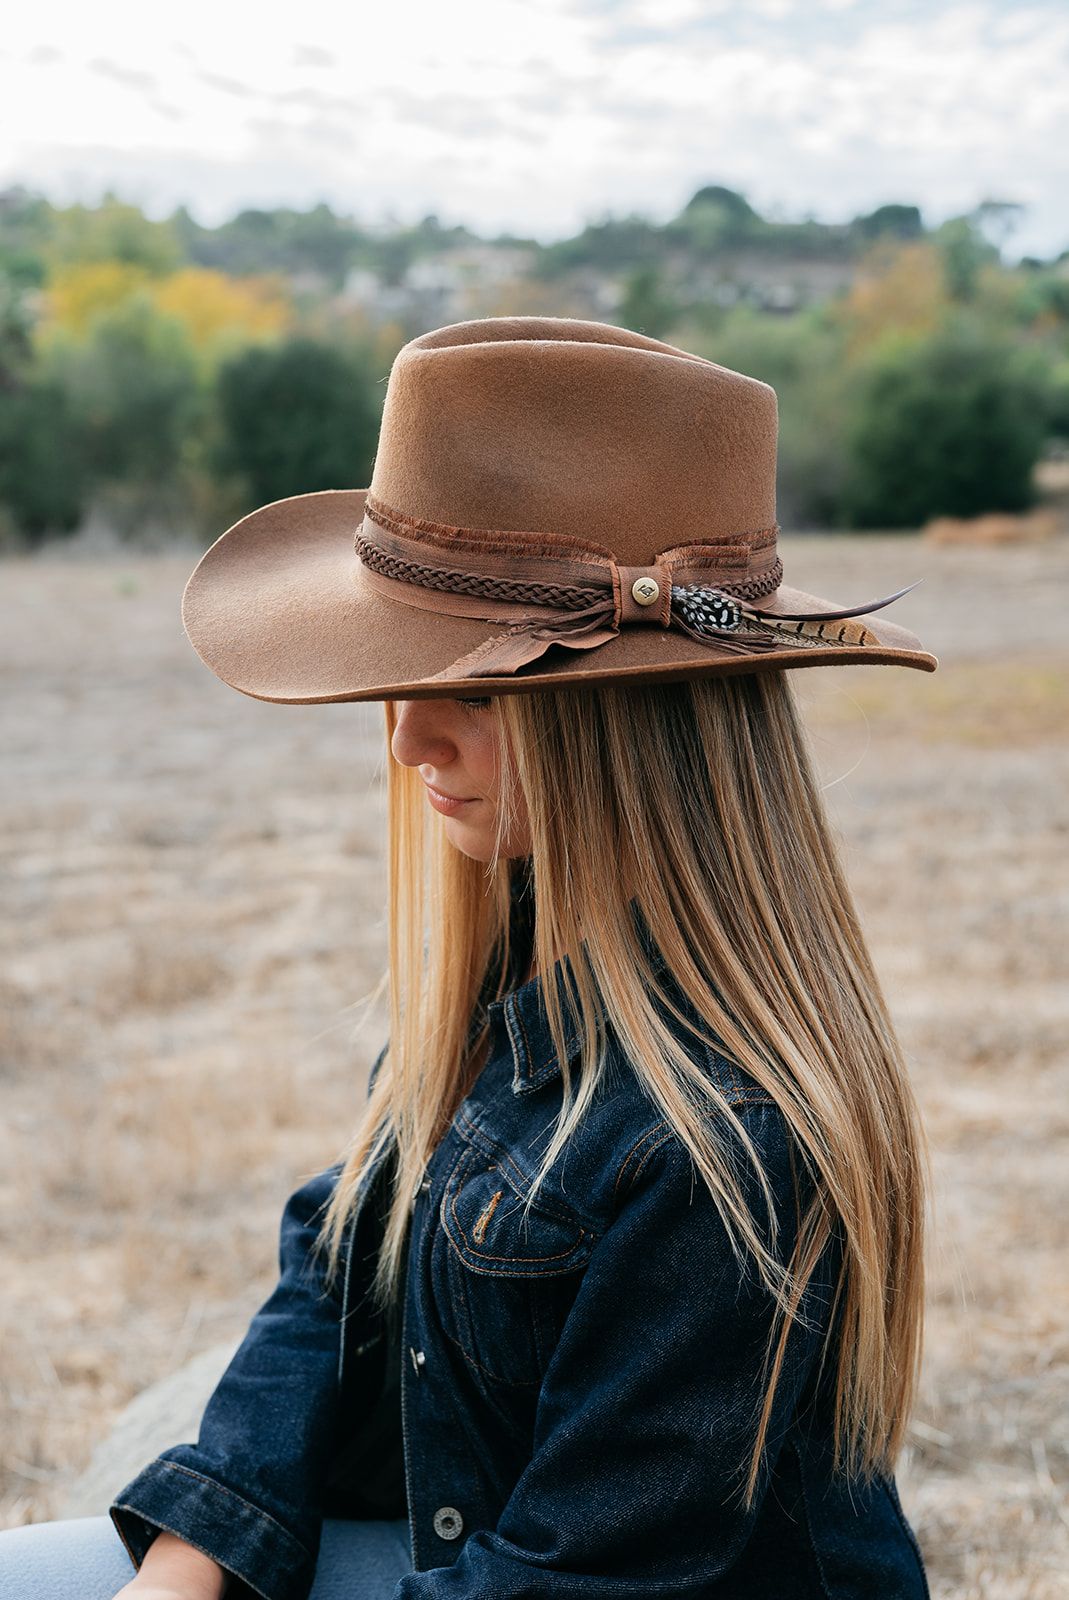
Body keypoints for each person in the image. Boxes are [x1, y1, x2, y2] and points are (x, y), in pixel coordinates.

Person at [1, 316, 937, 1598]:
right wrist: (193, 1552)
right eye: (394, 674)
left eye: (476, 692)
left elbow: (573, 1573)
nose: (406, 746)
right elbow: (341, 1264)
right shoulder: (520, 972)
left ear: (637, 731)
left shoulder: (728, 1147)